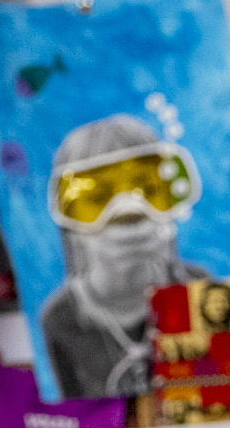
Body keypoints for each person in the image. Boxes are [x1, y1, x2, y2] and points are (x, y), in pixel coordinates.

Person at [37, 113, 210, 397]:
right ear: (71, 226)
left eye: (148, 190)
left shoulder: (198, 289)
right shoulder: (59, 320)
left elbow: (213, 399)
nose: (128, 214)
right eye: (98, 198)